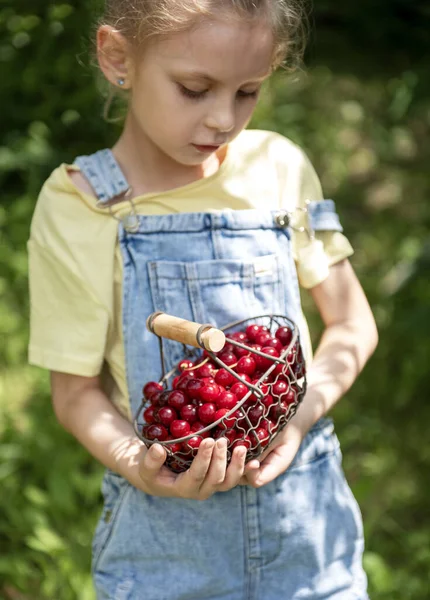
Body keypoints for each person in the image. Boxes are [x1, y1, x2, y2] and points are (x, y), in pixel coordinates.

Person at [28, 0, 378, 598]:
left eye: (248, 91)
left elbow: (351, 325)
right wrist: (136, 462)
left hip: (309, 542)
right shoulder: (80, 205)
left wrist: (298, 418)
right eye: (195, 89)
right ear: (119, 57)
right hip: (166, 555)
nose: (223, 119)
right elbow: (76, 393)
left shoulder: (280, 169)